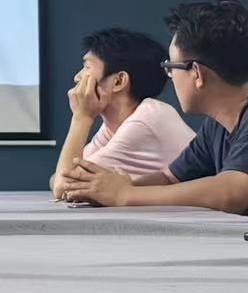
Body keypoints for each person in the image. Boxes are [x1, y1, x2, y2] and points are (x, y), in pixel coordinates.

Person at [60, 0, 248, 217]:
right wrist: (111, 187)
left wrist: (125, 194)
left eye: (171, 67)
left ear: (197, 74)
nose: (169, 77)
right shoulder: (218, 124)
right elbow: (170, 177)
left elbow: (230, 193)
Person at [50, 28, 195, 199]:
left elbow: (62, 186)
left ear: (119, 81)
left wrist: (81, 117)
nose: (77, 77)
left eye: (87, 67)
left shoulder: (146, 119)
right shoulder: (117, 125)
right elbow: (61, 178)